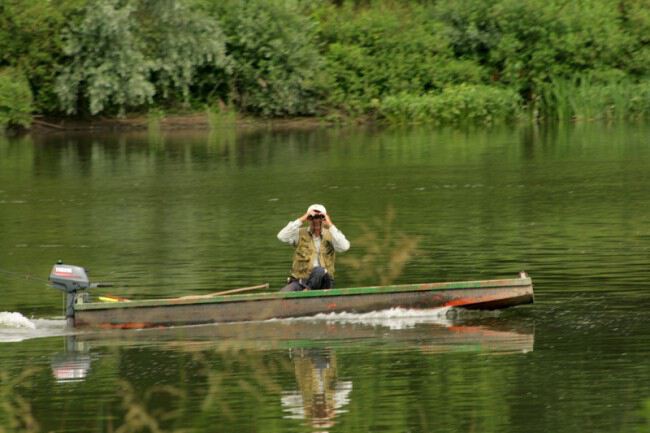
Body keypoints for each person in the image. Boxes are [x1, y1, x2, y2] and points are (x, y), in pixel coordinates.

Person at [277, 204, 350, 291]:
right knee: (283, 293)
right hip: (301, 281)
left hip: (323, 281)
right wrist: (302, 219)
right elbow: (281, 236)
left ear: (324, 219)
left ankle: (306, 292)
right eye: (313, 217)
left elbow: (345, 246)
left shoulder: (332, 235)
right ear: (308, 219)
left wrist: (330, 225)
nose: (316, 221)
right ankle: (305, 291)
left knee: (319, 270)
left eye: (320, 217)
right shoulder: (300, 234)